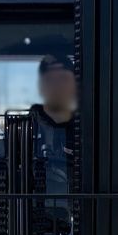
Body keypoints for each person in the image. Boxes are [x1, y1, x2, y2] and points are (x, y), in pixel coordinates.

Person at [27, 54, 77, 205]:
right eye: (50, 80)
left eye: (62, 79)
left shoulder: (93, 133)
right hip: (27, 224)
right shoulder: (20, 136)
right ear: (41, 87)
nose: (57, 87)